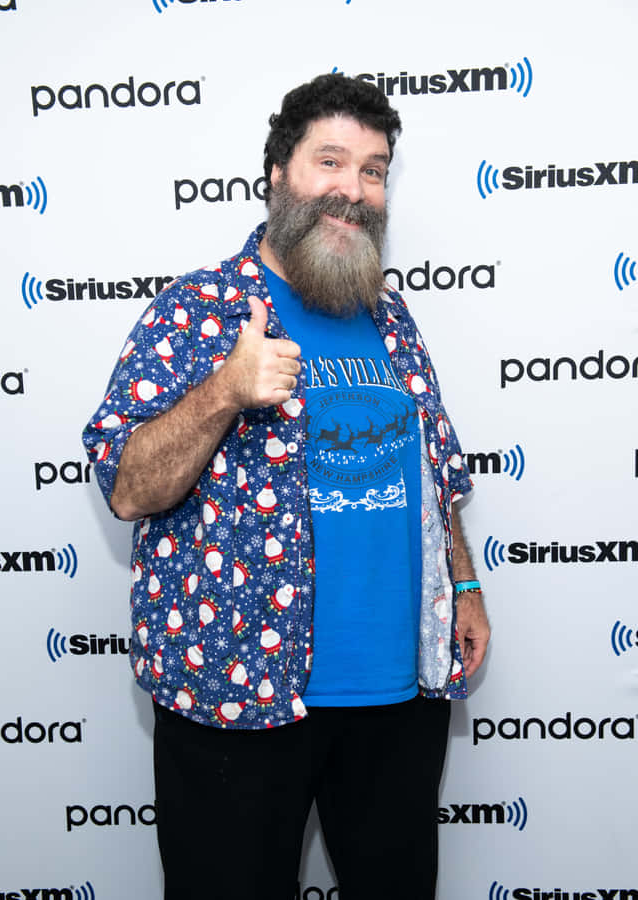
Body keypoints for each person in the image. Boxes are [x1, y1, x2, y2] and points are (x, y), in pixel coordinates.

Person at [83, 72, 490, 900]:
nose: (352, 189)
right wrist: (225, 391)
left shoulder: (388, 314)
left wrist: (467, 580)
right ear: (276, 175)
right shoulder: (198, 310)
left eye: (373, 170)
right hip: (238, 691)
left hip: (397, 699)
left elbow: (434, 467)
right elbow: (128, 487)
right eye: (329, 162)